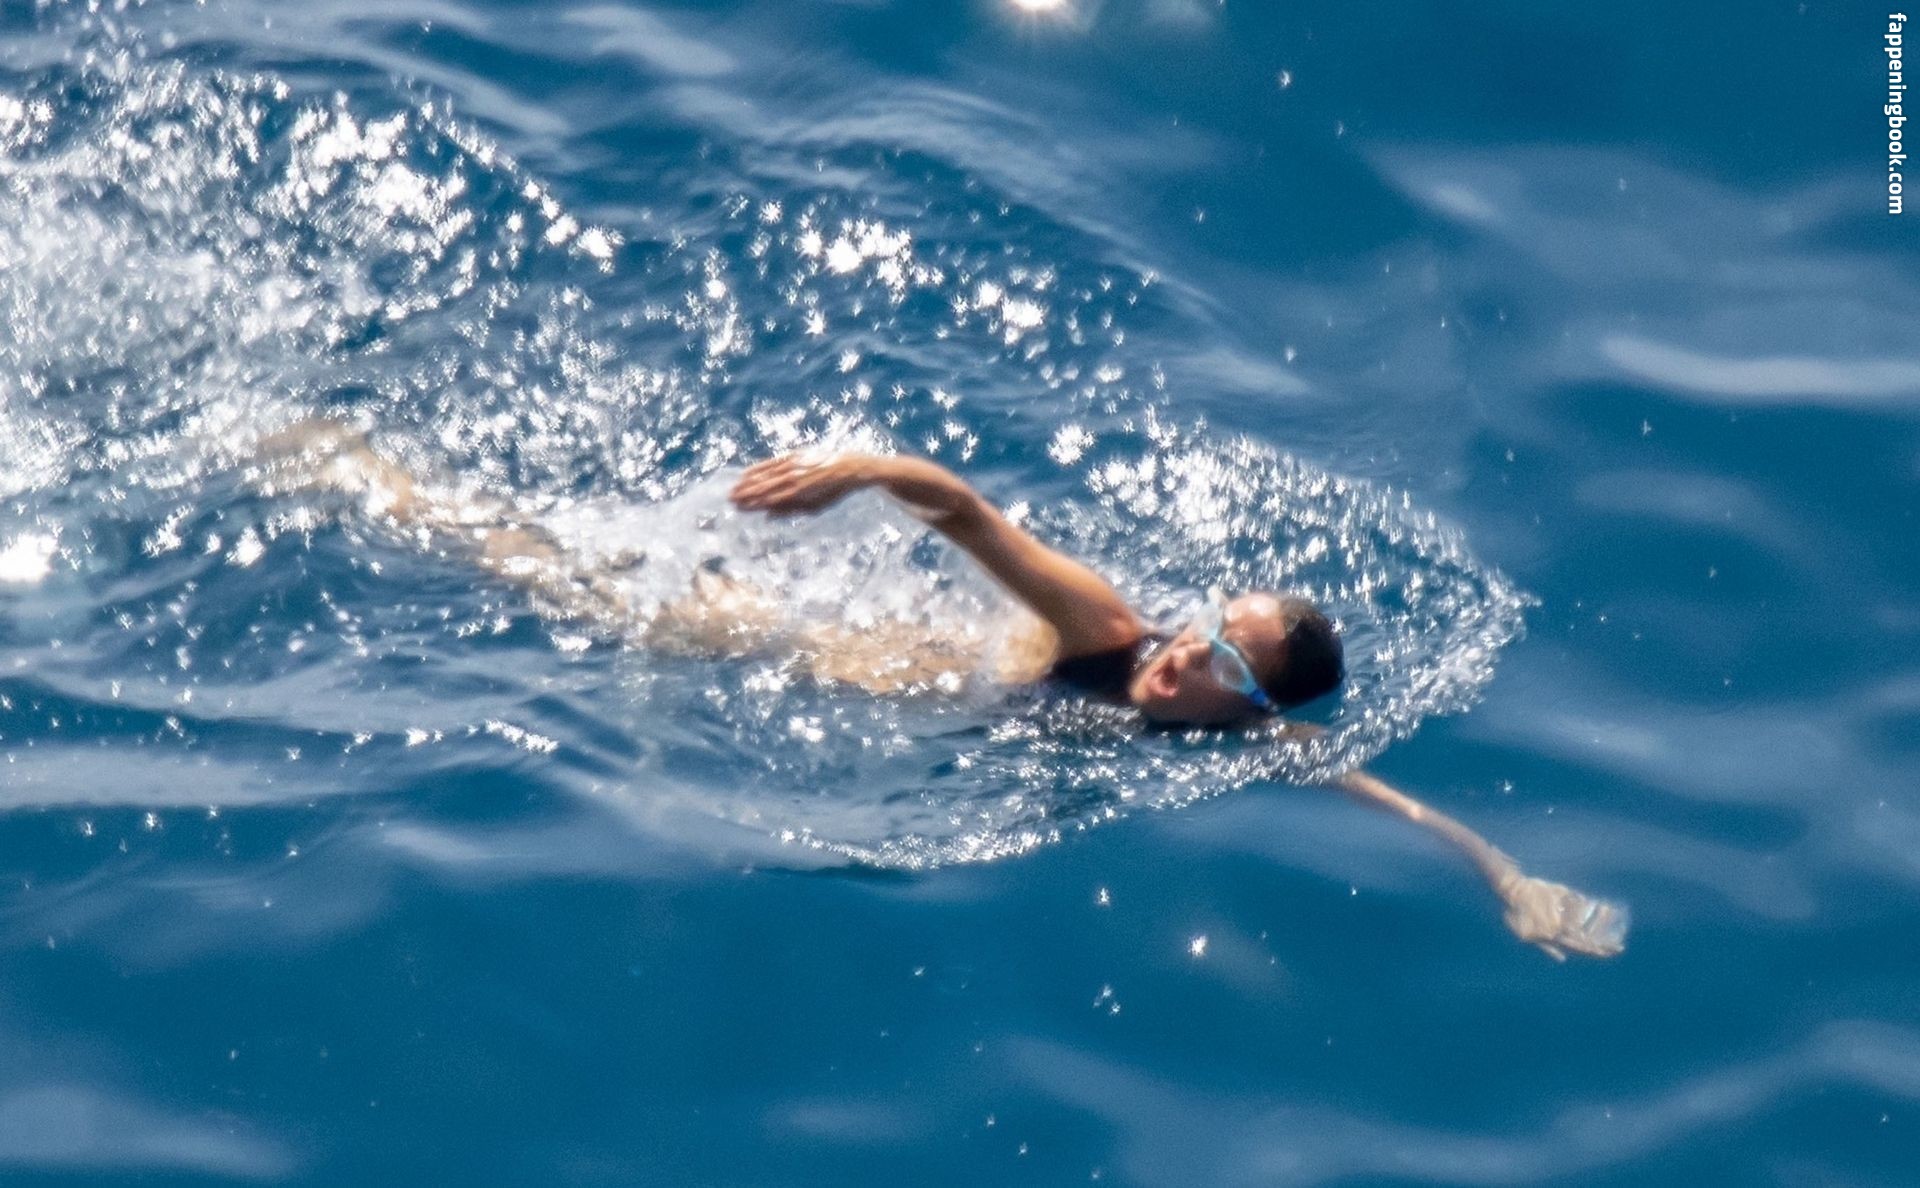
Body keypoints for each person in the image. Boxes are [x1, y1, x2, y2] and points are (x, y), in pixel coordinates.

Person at [256, 423, 1628, 960]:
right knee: (546, 577)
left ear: (1253, 713)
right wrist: (858, 471)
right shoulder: (1105, 628)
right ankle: (347, 471)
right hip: (794, 645)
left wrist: (1508, 879)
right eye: (1201, 628)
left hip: (855, 688)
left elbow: (1389, 800)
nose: (1181, 655)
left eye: (1217, 663)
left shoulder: (1233, 749)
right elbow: (966, 511)